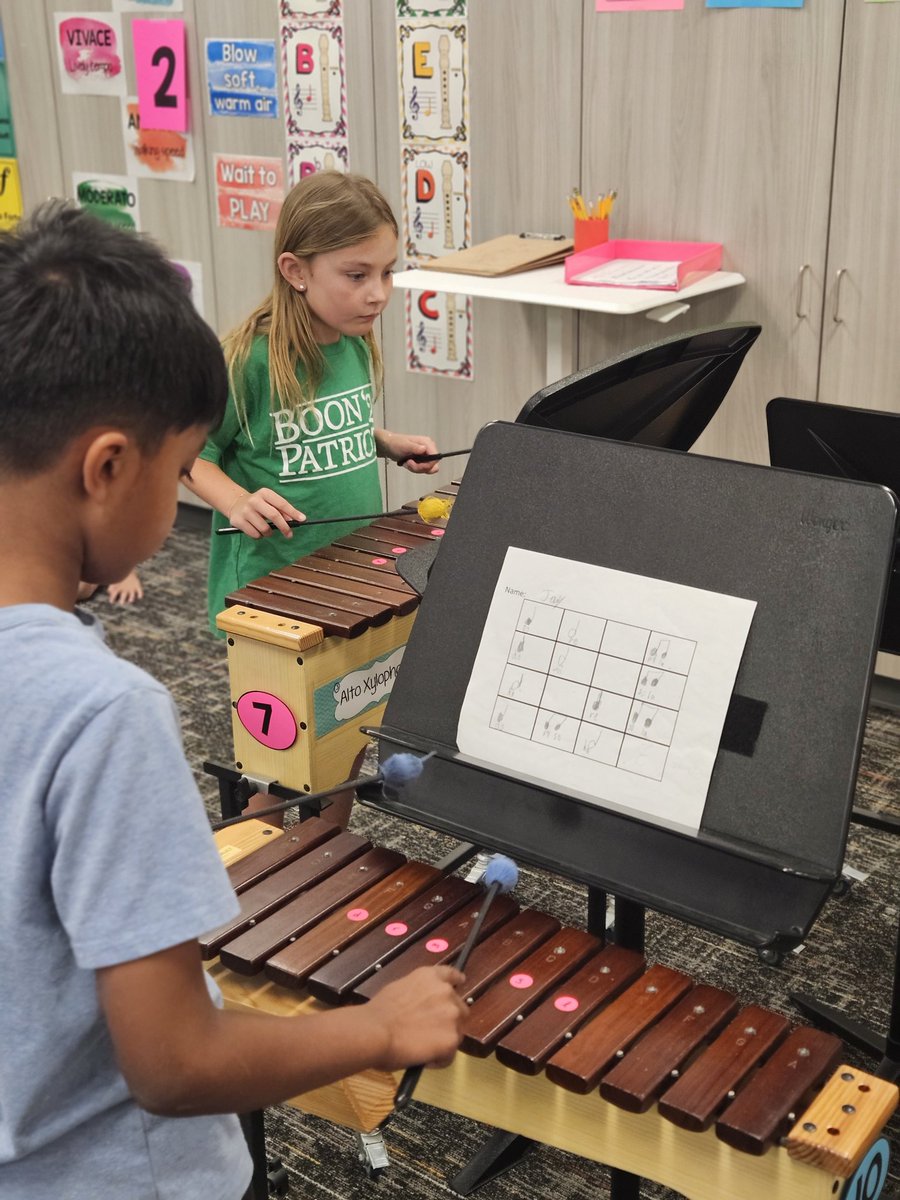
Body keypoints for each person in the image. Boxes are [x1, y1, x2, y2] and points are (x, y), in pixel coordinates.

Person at [0, 200, 467, 1200]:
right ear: (110, 468)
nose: (180, 496)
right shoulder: (101, 713)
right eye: (178, 472)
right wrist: (379, 1028)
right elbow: (174, 1064)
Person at [183, 171, 440, 634]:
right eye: (357, 275)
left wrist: (383, 442)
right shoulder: (248, 360)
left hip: (352, 563)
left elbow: (312, 427)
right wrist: (238, 501)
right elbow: (189, 456)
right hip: (273, 583)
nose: (378, 293)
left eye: (387, 272)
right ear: (296, 271)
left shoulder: (353, 340)